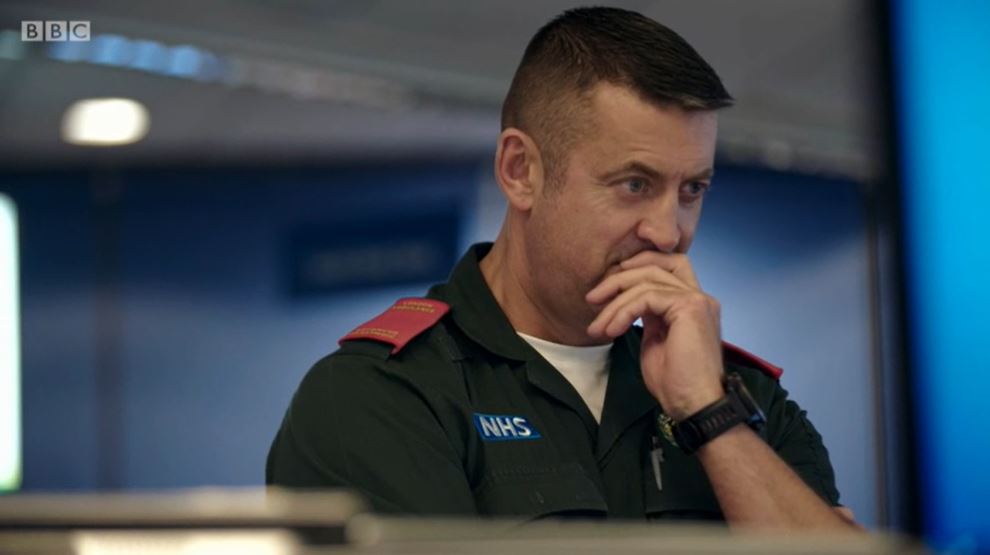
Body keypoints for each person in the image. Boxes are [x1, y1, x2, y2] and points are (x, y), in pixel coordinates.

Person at [267, 6, 858, 529]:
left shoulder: (740, 396)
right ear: (521, 170)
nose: (668, 230)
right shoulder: (381, 395)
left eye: (692, 189)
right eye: (634, 184)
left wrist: (710, 417)